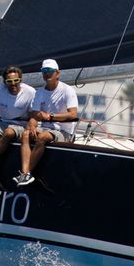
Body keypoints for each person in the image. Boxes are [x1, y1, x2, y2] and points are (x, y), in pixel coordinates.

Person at [16, 58, 78, 187]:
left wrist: (50, 117)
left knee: (43, 137)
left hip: (63, 131)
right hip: (45, 128)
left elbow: (73, 114)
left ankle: (26, 172)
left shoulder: (67, 90)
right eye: (44, 71)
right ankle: (25, 172)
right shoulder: (39, 93)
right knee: (26, 134)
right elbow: (34, 114)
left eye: (49, 71)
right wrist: (32, 125)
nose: (47, 74)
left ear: (57, 73)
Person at [0, 66, 35, 189]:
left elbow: (33, 114)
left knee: (9, 133)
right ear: (4, 82)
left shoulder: (30, 92)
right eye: (9, 81)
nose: (13, 84)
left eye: (16, 80)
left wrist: (30, 129)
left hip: (20, 124)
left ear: (20, 79)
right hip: (2, 121)